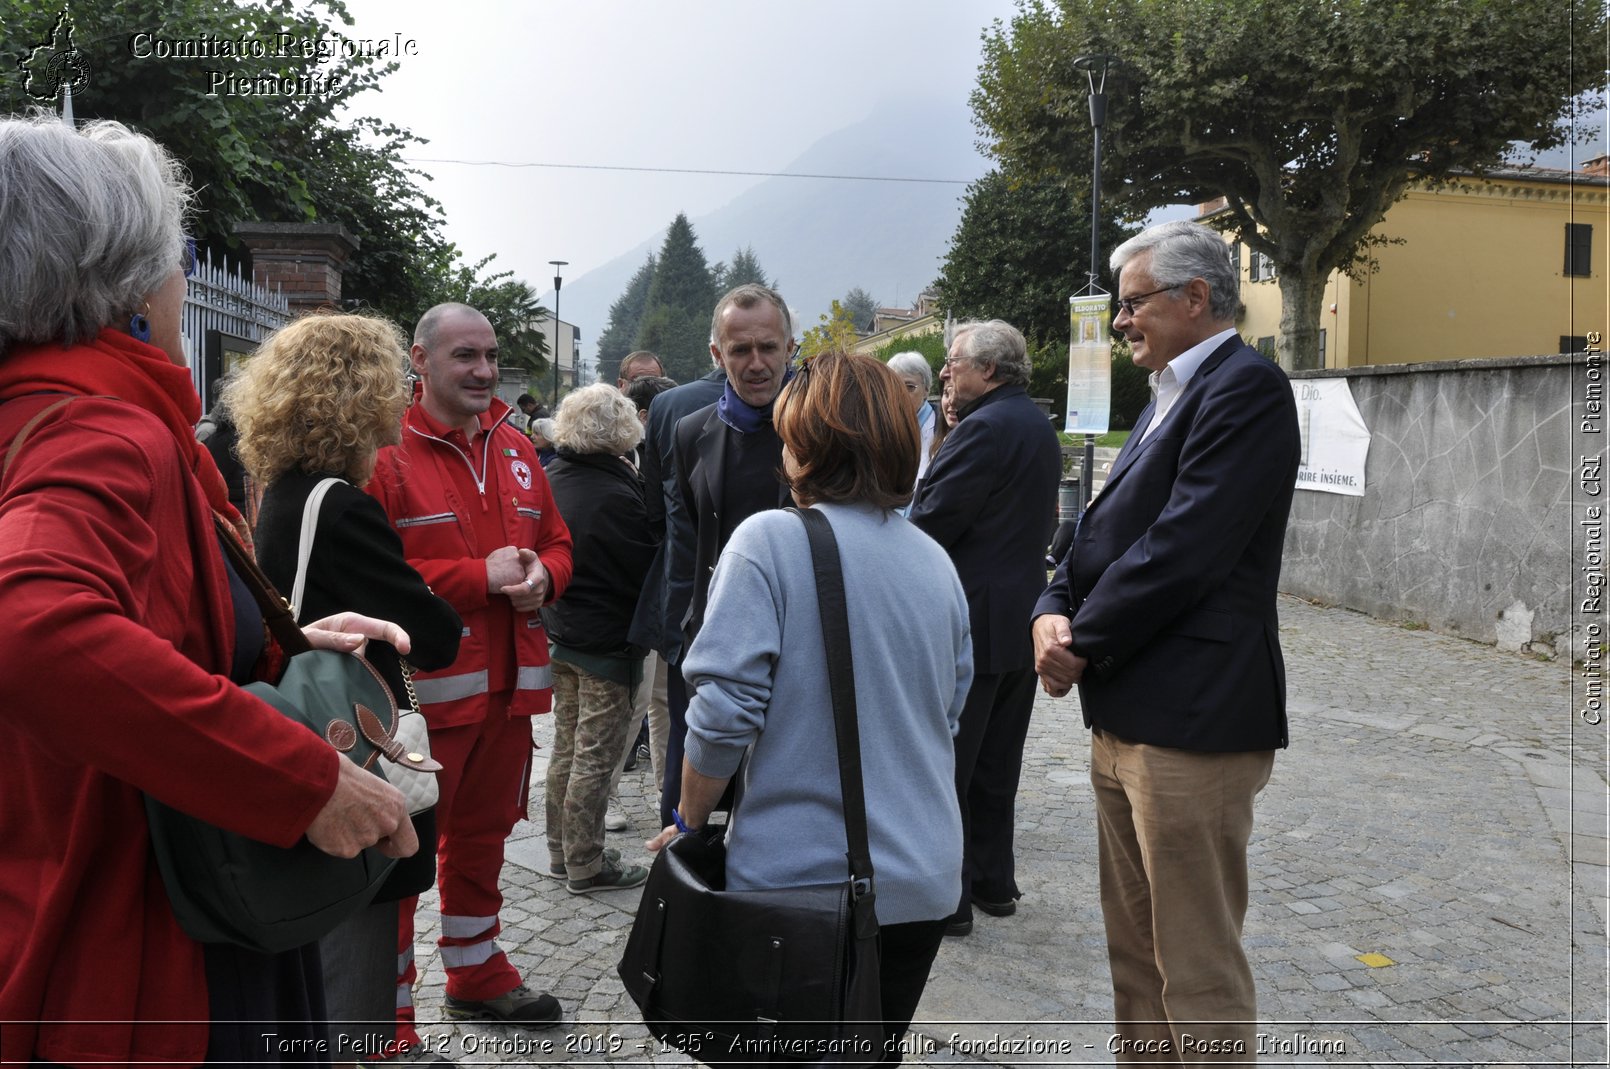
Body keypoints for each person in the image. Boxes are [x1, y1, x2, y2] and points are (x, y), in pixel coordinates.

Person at [0, 114, 417, 1068]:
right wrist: (299, 777)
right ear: (130, 277)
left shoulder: (31, 416)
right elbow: (29, 628)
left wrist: (270, 633)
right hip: (140, 947)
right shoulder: (102, 432)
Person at [650, 351, 973, 1067]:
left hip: (803, 883)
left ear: (806, 444)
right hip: (921, 878)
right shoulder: (933, 560)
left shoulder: (770, 541)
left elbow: (723, 713)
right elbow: (947, 712)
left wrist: (690, 821)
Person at [1032, 219, 1300, 1063]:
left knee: (1195, 964)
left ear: (1194, 298)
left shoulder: (1245, 389)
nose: (1121, 321)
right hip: (1128, 717)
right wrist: (1051, 602)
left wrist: (1079, 639)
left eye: (1133, 302)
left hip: (1193, 720)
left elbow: (1183, 549)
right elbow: (1101, 533)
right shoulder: (1169, 395)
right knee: (1137, 957)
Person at [227, 312, 464, 1064]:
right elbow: (434, 632)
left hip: (311, 743)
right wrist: (429, 593)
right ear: (358, 393)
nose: (405, 395)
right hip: (350, 749)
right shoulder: (342, 505)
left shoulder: (287, 491)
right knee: (348, 964)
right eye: (397, 380)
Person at [368, 302, 575, 1037]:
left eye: (489, 355)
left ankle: (477, 972)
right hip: (422, 703)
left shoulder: (518, 447)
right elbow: (373, 573)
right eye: (466, 356)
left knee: (485, 839)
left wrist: (546, 576)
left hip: (508, 698)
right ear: (421, 362)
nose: (484, 370)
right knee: (399, 858)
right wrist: (475, 578)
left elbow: (557, 540)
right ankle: (387, 1023)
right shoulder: (384, 452)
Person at [908, 319, 1062, 938]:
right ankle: (995, 883)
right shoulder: (1032, 425)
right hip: (1019, 614)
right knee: (998, 764)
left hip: (971, 619)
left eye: (954, 364)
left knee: (953, 765)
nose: (945, 373)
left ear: (988, 371)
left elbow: (931, 518)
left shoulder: (986, 429)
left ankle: (950, 898)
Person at [659, 283, 798, 826]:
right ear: (718, 355)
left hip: (800, 639)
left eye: (768, 347)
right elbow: (685, 546)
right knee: (700, 798)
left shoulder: (819, 430)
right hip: (717, 638)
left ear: (791, 347)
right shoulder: (692, 432)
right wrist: (682, 642)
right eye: (741, 350)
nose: (757, 363)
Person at [539, 384, 656, 891]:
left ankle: (560, 851)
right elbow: (644, 570)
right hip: (607, 641)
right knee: (594, 756)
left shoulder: (553, 477)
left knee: (565, 749)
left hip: (563, 631)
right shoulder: (616, 492)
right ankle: (586, 862)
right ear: (622, 430)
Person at [886, 350, 941, 483]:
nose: (901, 394)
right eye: (895, 387)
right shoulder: (880, 427)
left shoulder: (944, 425)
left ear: (926, 389)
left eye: (910, 387)